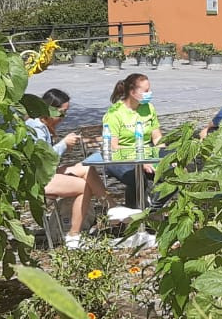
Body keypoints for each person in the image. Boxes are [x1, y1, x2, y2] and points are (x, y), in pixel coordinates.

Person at [27, 90, 110, 248]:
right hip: (35, 179)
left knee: (87, 169)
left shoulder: (45, 126)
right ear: (50, 109)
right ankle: (73, 236)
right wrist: (64, 144)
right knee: (83, 187)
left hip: (44, 173)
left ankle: (112, 208)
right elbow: (43, 159)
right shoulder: (36, 127)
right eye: (62, 113)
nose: (64, 118)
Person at [103, 72, 162, 207]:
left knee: (174, 174)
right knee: (137, 178)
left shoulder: (149, 108)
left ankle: (153, 209)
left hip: (147, 156)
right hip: (120, 158)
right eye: (146, 91)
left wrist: (164, 155)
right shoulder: (114, 113)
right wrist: (139, 161)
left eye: (150, 90)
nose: (150, 93)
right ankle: (134, 215)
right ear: (132, 92)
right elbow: (113, 146)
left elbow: (157, 136)